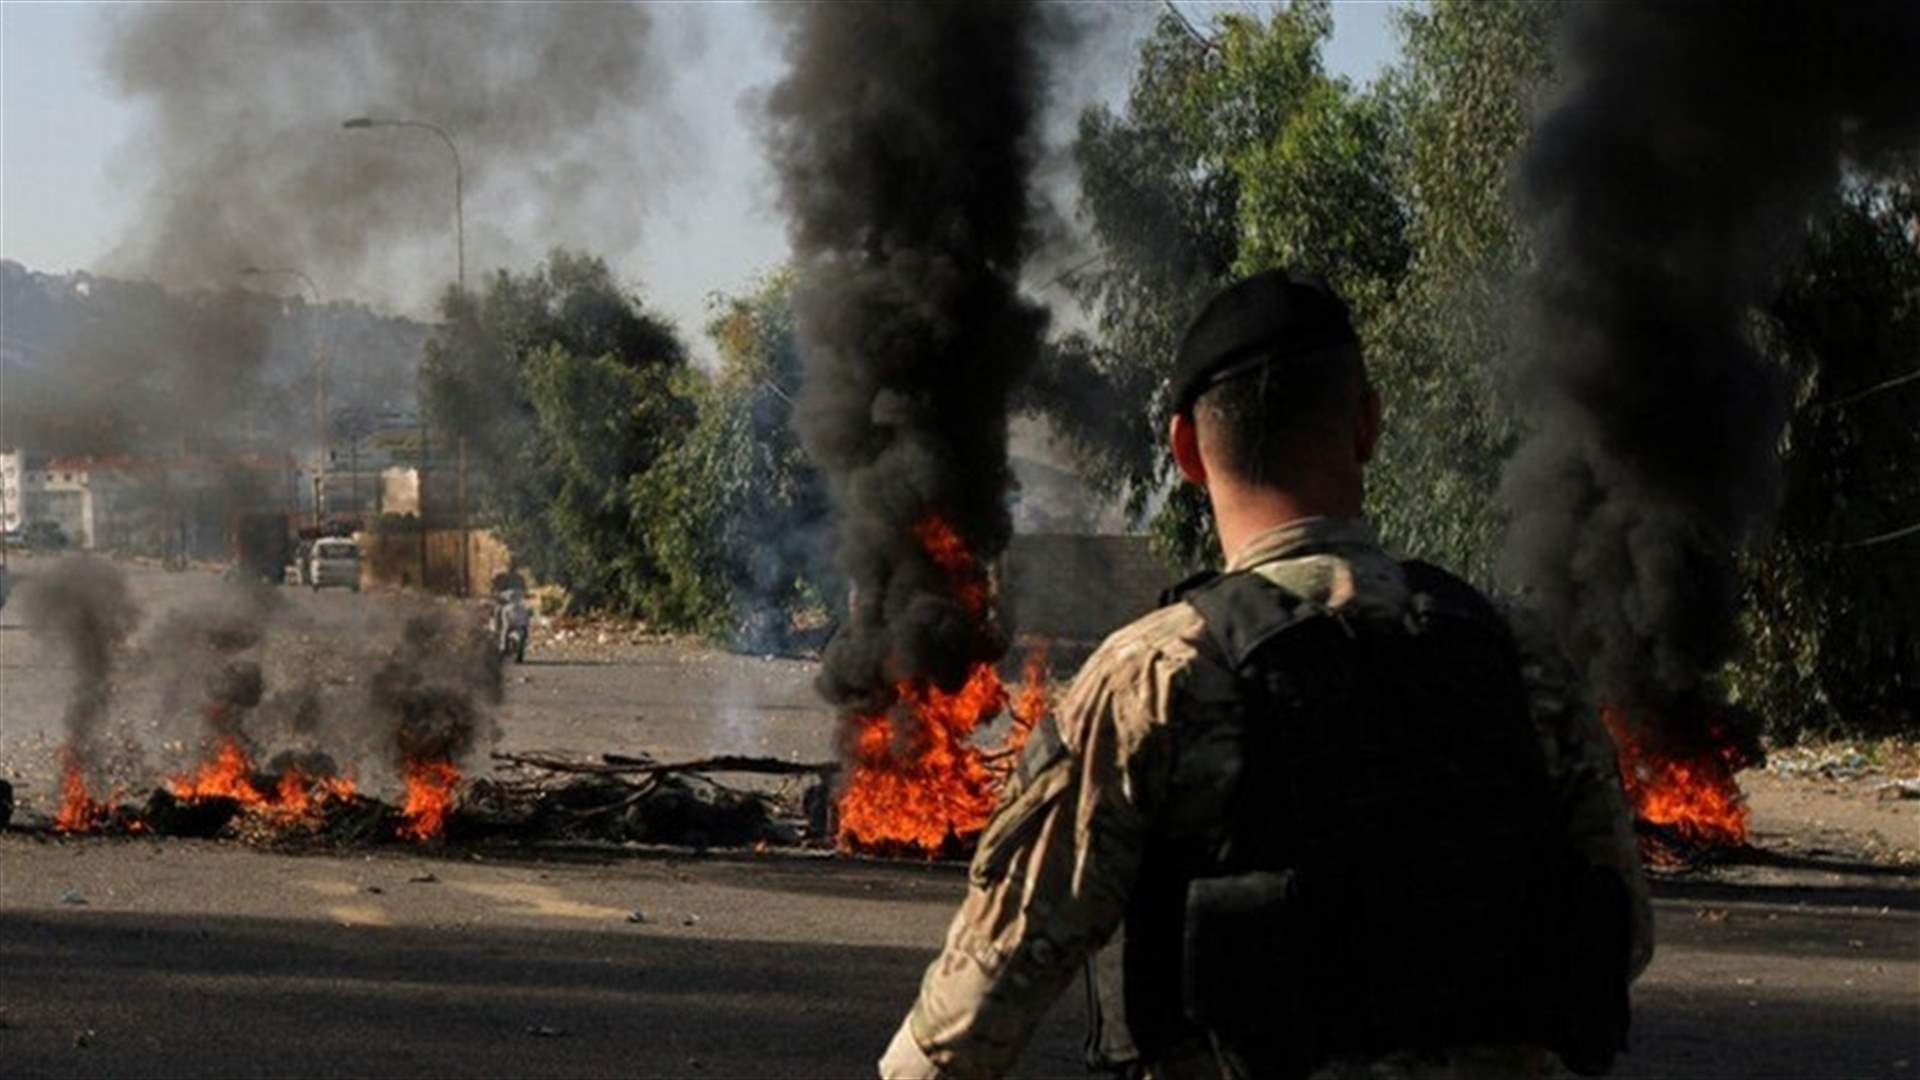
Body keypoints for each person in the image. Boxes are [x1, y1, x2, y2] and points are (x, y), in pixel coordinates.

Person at [879, 270, 1652, 1080]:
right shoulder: (1516, 654)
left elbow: (981, 1000)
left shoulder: (1155, 674)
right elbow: (1619, 930)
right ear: (1367, 424)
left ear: (1184, 450)